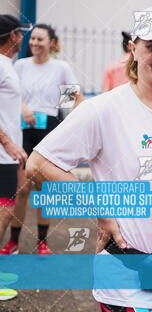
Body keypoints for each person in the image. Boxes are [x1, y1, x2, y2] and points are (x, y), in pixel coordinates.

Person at [26, 5, 152, 311]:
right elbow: (39, 163)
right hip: (127, 284)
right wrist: (100, 210)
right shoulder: (104, 109)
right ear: (133, 49)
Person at [0, 24, 84, 256]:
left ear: (52, 43)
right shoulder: (20, 66)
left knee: (43, 189)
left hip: (49, 130)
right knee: (22, 189)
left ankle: (42, 242)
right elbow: (10, 95)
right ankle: (13, 242)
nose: (35, 43)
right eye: (33, 39)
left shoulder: (61, 68)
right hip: (22, 131)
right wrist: (24, 108)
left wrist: (71, 126)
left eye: (41, 39)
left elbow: (76, 99)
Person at [0, 14, 30, 302]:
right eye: (21, 34)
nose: (25, 39)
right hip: (1, 153)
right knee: (3, 211)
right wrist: (7, 142)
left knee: (9, 206)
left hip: (8, 154)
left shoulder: (7, 66)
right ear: (12, 36)